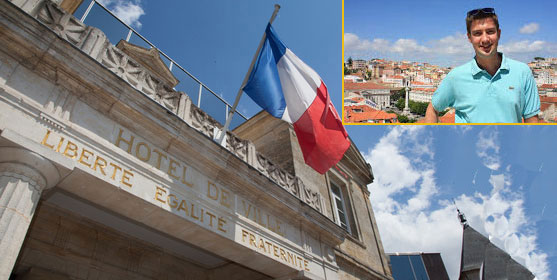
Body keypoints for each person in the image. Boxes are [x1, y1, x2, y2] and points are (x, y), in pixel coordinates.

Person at [425, 8, 540, 123]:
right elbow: (432, 109)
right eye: (477, 33)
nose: (485, 39)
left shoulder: (522, 72)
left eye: (490, 31)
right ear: (469, 38)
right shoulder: (456, 77)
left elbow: (532, 120)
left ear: (499, 34)